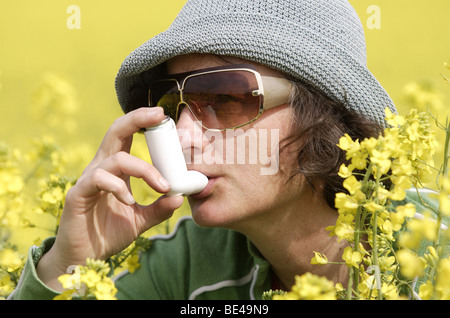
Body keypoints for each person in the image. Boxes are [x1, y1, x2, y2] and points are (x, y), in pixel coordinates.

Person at [10, 0, 408, 299]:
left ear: (323, 114)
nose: (182, 137)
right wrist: (66, 267)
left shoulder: (427, 255)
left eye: (227, 97)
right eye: (168, 105)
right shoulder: (185, 270)